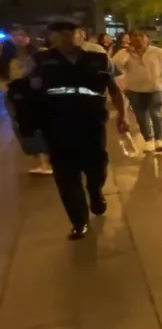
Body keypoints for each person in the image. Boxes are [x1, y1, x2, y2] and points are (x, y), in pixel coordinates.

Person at [27, 21, 128, 239]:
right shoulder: (42, 61)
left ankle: (95, 191)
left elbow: (114, 89)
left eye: (70, 32)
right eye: (59, 33)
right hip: (56, 125)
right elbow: (29, 93)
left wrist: (122, 115)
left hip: (91, 123)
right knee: (65, 175)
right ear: (52, 36)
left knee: (97, 167)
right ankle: (78, 221)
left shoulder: (98, 58)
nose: (66, 36)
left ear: (81, 34)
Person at [113, 29, 162, 154]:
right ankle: (148, 140)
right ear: (130, 39)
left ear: (147, 38)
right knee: (141, 115)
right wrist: (127, 54)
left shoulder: (158, 52)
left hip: (156, 89)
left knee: (156, 114)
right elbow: (117, 66)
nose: (138, 38)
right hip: (135, 89)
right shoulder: (124, 53)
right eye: (134, 36)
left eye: (141, 36)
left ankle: (159, 140)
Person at [1, 28, 52, 174]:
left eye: (22, 35)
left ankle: (46, 162)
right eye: (15, 35)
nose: (18, 38)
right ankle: (43, 161)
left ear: (29, 37)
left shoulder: (38, 54)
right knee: (24, 128)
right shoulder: (8, 54)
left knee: (36, 127)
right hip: (15, 95)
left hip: (32, 96)